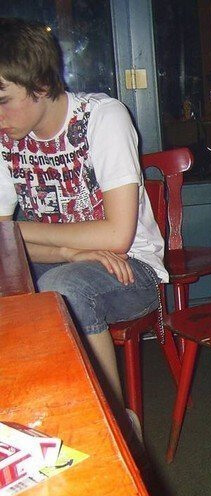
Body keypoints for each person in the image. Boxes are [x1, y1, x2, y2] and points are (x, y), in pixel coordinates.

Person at [0, 18, 168, 435]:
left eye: (2, 99)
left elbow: (116, 237)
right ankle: (24, 417)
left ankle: (113, 424)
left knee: (63, 288)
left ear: (41, 84)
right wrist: (67, 251)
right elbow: (4, 251)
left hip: (130, 269)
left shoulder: (102, 117)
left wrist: (18, 232)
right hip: (56, 260)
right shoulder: (5, 136)